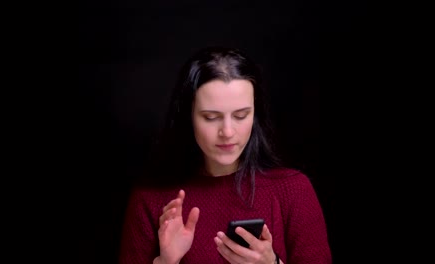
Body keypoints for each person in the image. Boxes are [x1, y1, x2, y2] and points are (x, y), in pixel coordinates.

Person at [119, 47, 331, 264]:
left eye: (241, 115)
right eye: (211, 117)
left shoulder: (293, 190)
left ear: (255, 114)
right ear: (188, 116)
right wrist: (166, 261)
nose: (228, 132)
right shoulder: (150, 199)